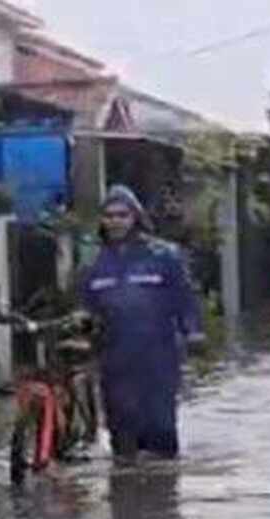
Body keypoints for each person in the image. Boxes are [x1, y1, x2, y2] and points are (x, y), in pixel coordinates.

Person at [78, 185, 204, 462]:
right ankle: (126, 498)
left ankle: (161, 500)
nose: (115, 221)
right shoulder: (93, 264)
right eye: (109, 215)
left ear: (135, 217)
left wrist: (194, 332)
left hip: (157, 356)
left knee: (160, 429)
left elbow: (185, 297)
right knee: (122, 435)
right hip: (115, 358)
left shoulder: (164, 256)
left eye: (122, 215)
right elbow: (84, 307)